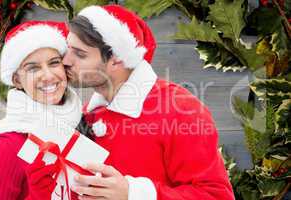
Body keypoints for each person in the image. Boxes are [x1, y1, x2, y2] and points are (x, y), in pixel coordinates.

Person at [62, 5, 235, 200]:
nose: (65, 60)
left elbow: (215, 195)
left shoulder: (180, 109)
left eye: (80, 54)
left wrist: (133, 194)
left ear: (116, 58)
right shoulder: (87, 115)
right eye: (67, 49)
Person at [0, 21, 86, 199]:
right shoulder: (8, 144)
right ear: (17, 80)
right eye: (33, 68)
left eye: (54, 63)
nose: (48, 76)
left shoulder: (82, 127)